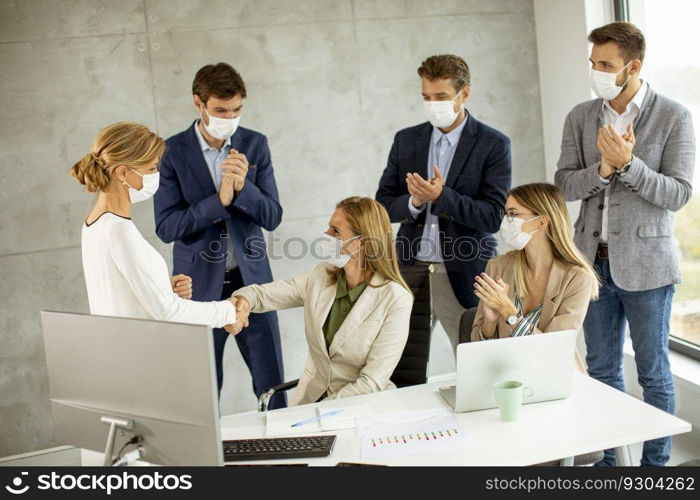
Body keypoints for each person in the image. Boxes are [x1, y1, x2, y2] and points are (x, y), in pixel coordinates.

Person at [554, 22, 695, 466]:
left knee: (654, 374)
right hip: (590, 265)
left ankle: (654, 469)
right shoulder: (580, 116)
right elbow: (563, 186)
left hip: (647, 265)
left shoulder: (675, 116)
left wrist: (628, 164)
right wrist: (602, 170)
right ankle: (610, 466)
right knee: (601, 371)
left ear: (632, 66)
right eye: (593, 63)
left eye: (605, 65)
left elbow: (678, 193)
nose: (596, 71)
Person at [154, 63, 286, 408]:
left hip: (253, 284)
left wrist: (244, 189)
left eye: (237, 109)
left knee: (273, 385)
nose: (230, 117)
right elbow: (167, 227)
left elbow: (272, 216)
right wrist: (221, 201)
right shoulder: (171, 152)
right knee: (202, 391)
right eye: (221, 110)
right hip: (197, 289)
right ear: (198, 104)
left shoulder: (255, 144)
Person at [376, 54, 512, 354]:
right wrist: (413, 201)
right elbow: (382, 206)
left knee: (474, 358)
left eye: (441, 96)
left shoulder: (493, 144)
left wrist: (441, 197)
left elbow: (492, 217)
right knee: (400, 363)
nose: (432, 104)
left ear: (464, 93)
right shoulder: (406, 140)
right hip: (410, 269)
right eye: (426, 96)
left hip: (465, 271)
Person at [229, 197, 414, 406]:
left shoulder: (395, 299)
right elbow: (264, 294)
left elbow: (371, 382)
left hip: (362, 408)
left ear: (362, 242)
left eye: (335, 231)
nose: (326, 235)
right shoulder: (322, 276)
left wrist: (320, 411)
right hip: (311, 401)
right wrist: (242, 301)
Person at [73, 122, 243, 333]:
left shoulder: (94, 223)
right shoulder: (119, 230)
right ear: (123, 173)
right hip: (138, 354)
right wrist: (228, 311)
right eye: (151, 168)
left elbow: (115, 290)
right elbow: (167, 312)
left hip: (118, 349)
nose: (156, 175)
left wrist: (160, 287)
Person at [470, 183, 598, 349]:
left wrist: (509, 312)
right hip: (504, 371)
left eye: (513, 214)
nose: (506, 221)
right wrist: (490, 321)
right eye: (506, 214)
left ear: (542, 222)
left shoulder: (577, 279)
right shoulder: (497, 266)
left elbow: (552, 349)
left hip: (552, 374)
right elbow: (476, 347)